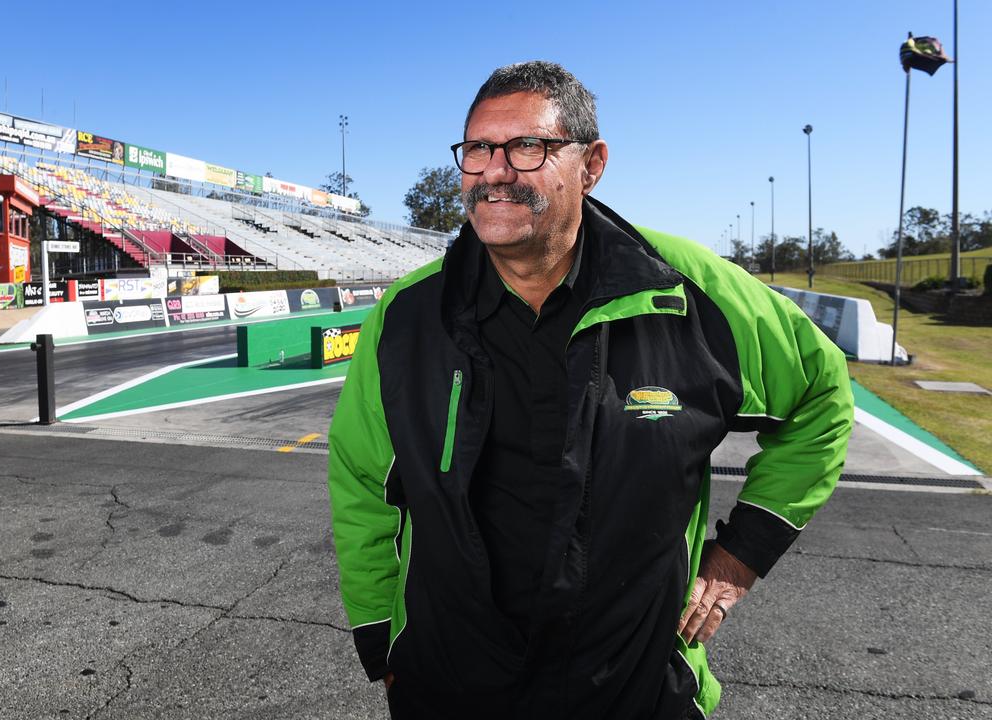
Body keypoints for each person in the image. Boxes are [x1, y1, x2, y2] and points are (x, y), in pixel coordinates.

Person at [327, 61, 853, 718]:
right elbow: (363, 489)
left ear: (592, 163)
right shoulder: (404, 317)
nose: (494, 171)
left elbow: (823, 397)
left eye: (527, 147)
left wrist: (739, 558)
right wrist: (383, 647)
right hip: (451, 686)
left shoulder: (687, 290)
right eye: (477, 149)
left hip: (635, 691)